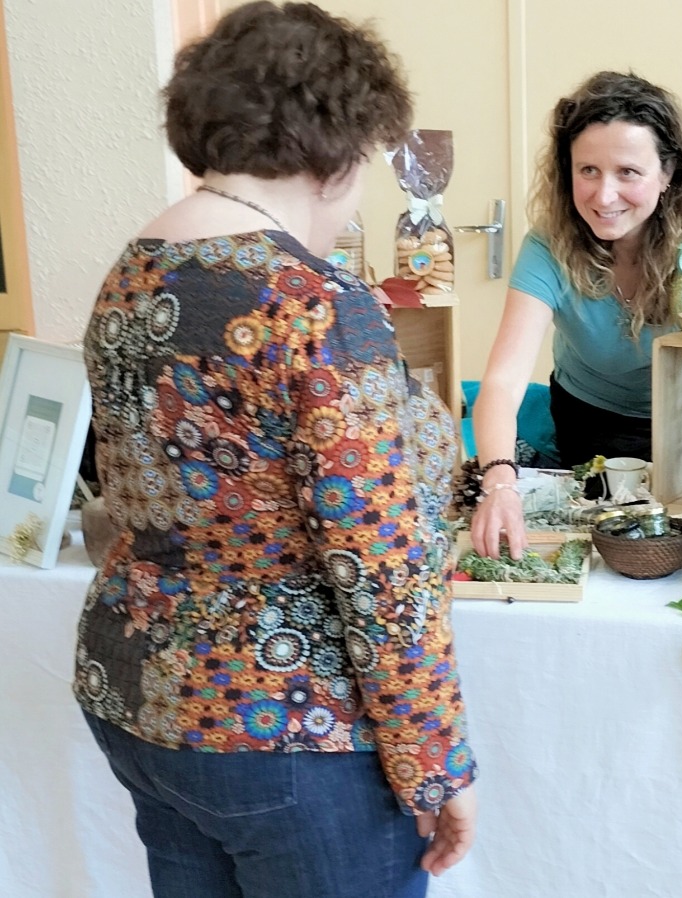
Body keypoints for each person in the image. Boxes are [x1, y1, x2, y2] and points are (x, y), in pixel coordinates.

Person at [73, 4, 477, 896]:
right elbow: (381, 566)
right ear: (336, 156)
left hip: (141, 698)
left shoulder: (131, 275)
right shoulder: (315, 303)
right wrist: (437, 765)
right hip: (287, 727)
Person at [471, 70, 682, 559]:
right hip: (593, 419)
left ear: (667, 173)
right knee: (610, 545)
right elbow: (503, 382)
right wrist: (499, 483)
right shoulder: (548, 247)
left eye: (628, 172)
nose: (604, 195)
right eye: (588, 170)